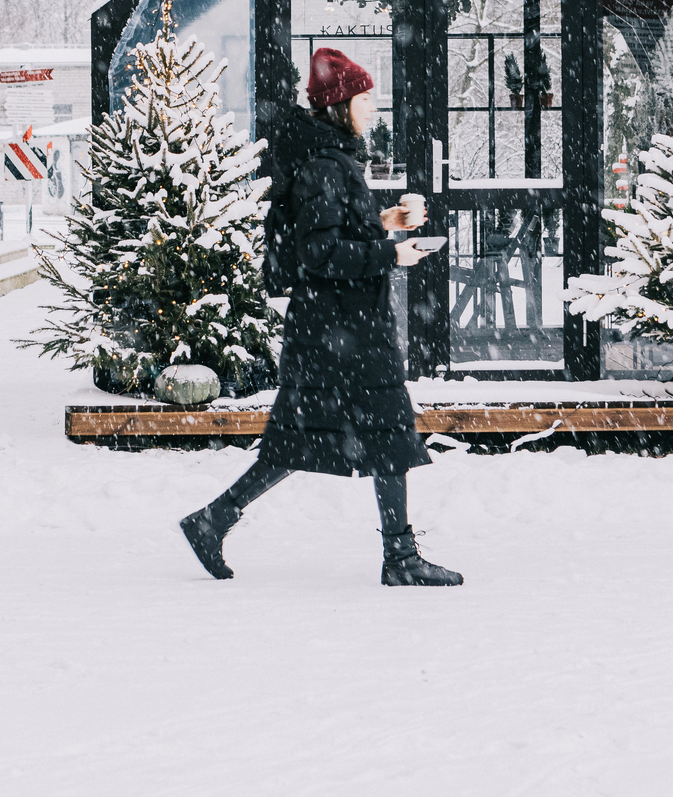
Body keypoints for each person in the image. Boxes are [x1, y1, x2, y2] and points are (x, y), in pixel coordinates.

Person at [178, 46, 463, 587]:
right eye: (365, 99)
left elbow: (332, 233)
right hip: (341, 331)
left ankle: (214, 520)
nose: (373, 108)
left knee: (316, 436)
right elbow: (320, 254)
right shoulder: (324, 166)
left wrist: (387, 221)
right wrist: (392, 254)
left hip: (337, 329)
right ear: (341, 105)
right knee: (371, 433)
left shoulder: (330, 158)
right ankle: (399, 559)